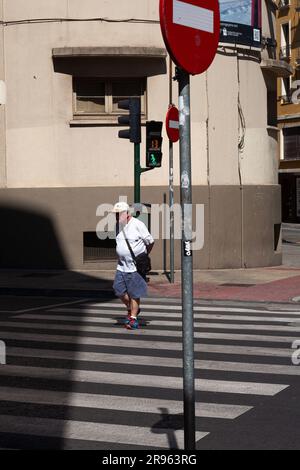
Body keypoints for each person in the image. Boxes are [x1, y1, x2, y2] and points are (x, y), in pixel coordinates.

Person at [112, 201, 154, 330]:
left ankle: (133, 318)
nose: (117, 216)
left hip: (135, 266)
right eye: (115, 214)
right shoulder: (118, 225)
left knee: (134, 293)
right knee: (118, 289)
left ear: (127, 213)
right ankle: (132, 308)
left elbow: (150, 241)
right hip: (122, 265)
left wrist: (143, 256)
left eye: (119, 214)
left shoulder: (138, 224)